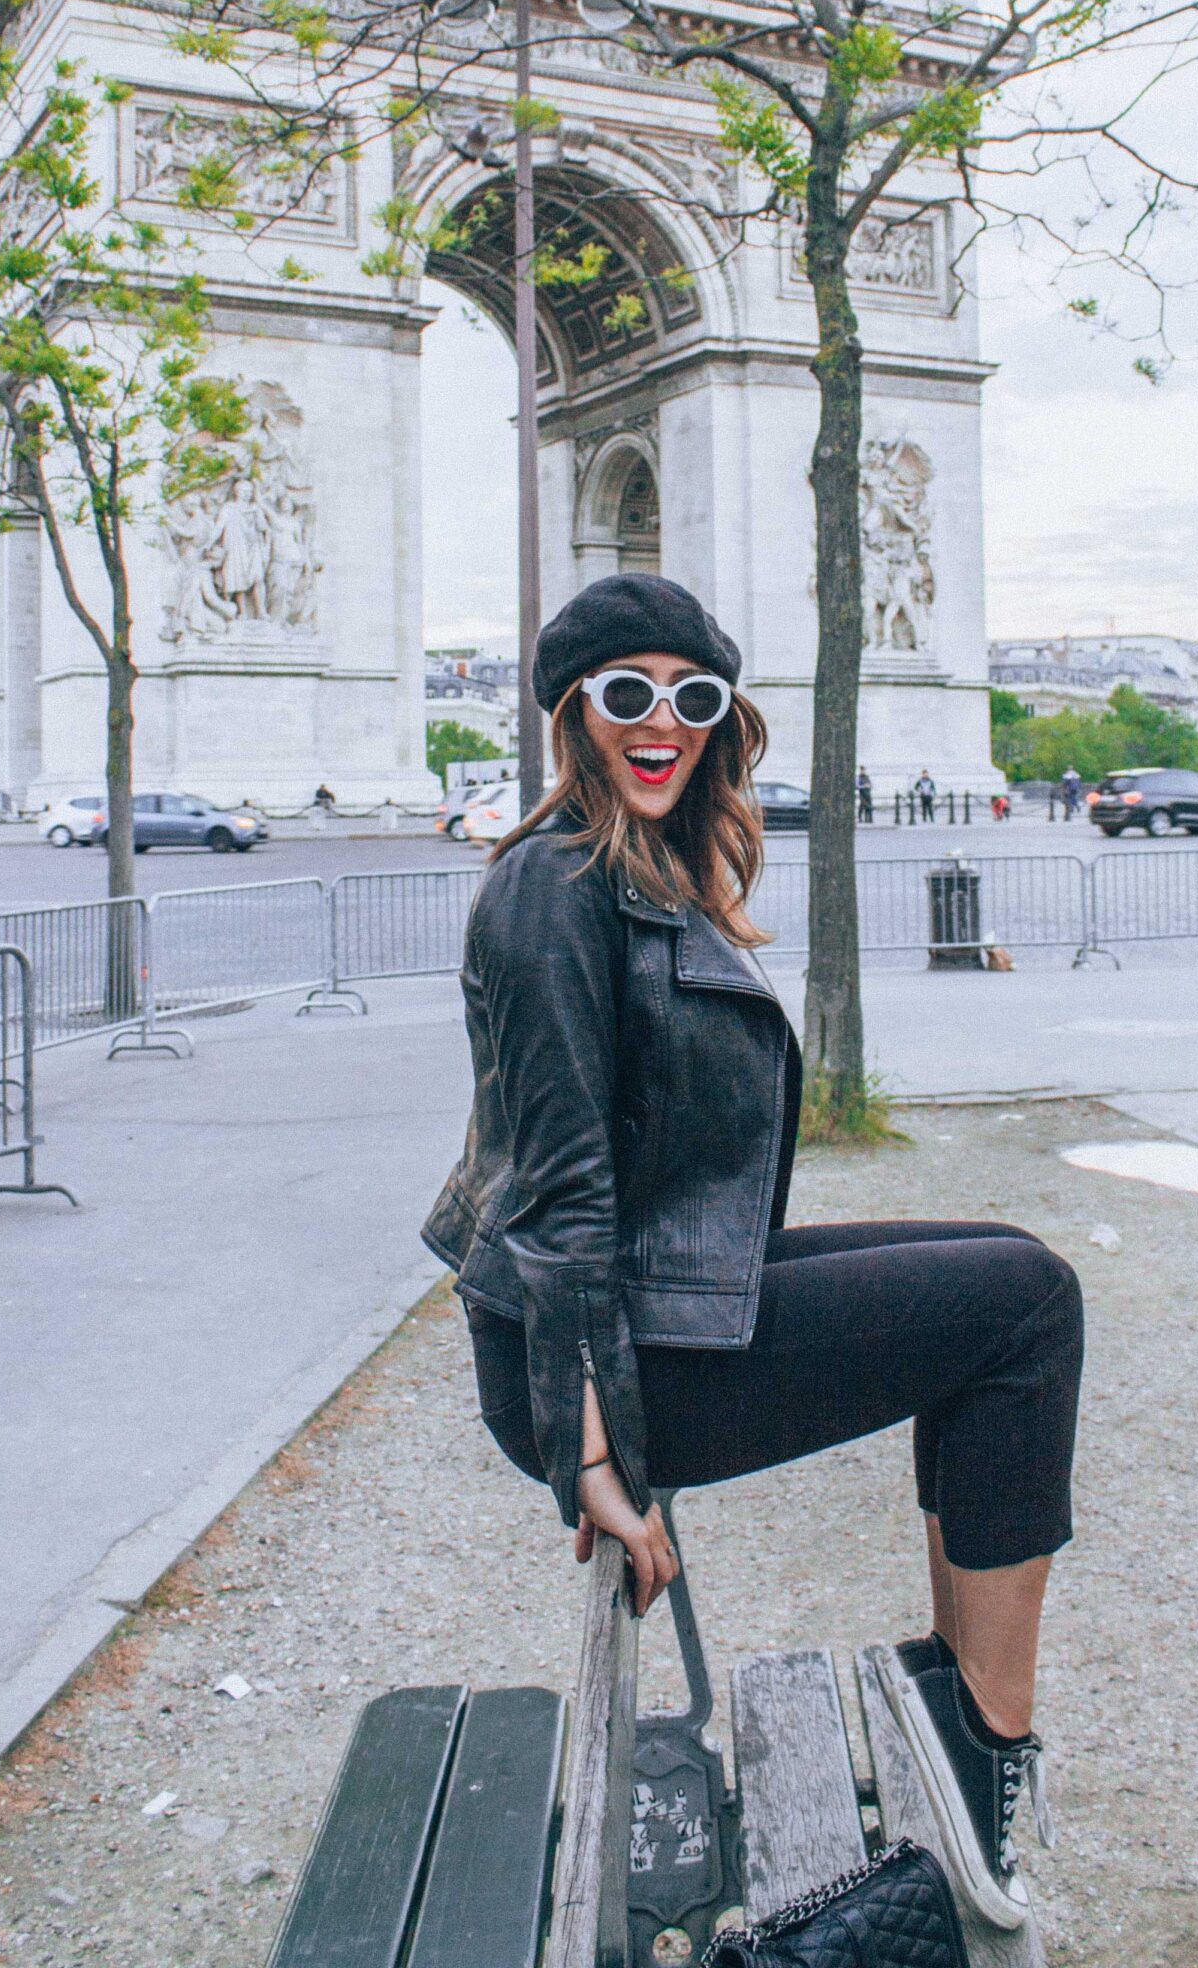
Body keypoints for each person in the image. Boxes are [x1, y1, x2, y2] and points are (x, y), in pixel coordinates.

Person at [422, 574, 1083, 1932]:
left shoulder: (635, 870)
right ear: (570, 716)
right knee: (1026, 1306)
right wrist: (597, 1462)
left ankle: (966, 1731)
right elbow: (560, 1198)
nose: (659, 723)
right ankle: (988, 1750)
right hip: (610, 1357)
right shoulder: (551, 888)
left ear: (722, 717)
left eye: (693, 695)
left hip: (654, 1308)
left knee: (1011, 1270)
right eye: (624, 695)